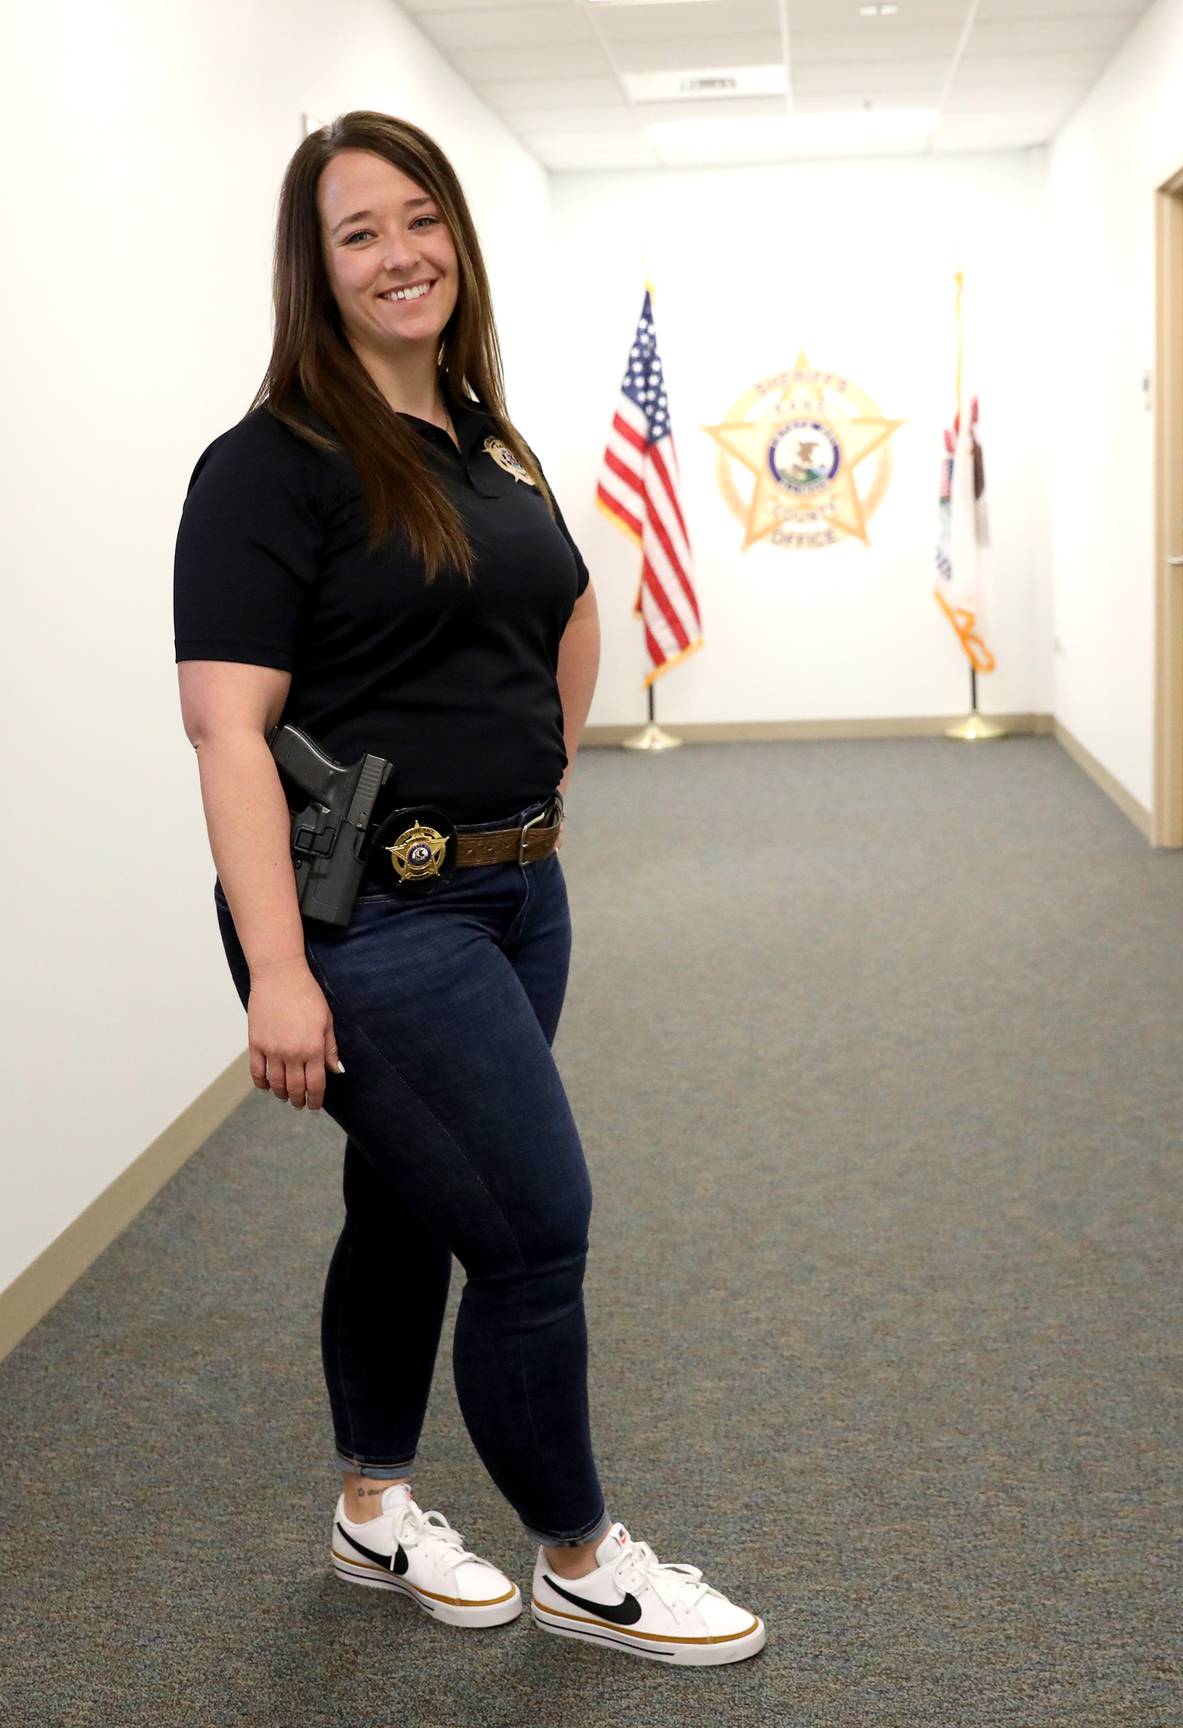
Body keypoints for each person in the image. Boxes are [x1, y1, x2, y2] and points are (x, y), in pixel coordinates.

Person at [173, 109, 764, 1668]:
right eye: (356, 232)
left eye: (417, 219)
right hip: (374, 921)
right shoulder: (268, 467)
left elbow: (567, 608)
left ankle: (374, 1506)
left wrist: (543, 774)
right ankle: (579, 1557)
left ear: (457, 239)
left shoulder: (486, 439)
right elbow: (227, 729)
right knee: (532, 1230)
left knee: (419, 1197)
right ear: (314, 272)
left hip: (515, 900)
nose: (397, 254)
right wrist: (279, 969)